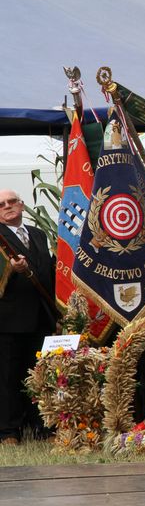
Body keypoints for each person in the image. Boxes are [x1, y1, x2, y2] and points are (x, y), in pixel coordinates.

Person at [0, 189, 56, 445]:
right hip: (8, 320)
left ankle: (40, 426)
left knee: (39, 376)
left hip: (40, 318)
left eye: (12, 202)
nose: (8, 206)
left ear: (22, 205)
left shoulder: (38, 234)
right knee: (8, 377)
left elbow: (47, 270)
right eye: (1, 205)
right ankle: (8, 432)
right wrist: (9, 269)